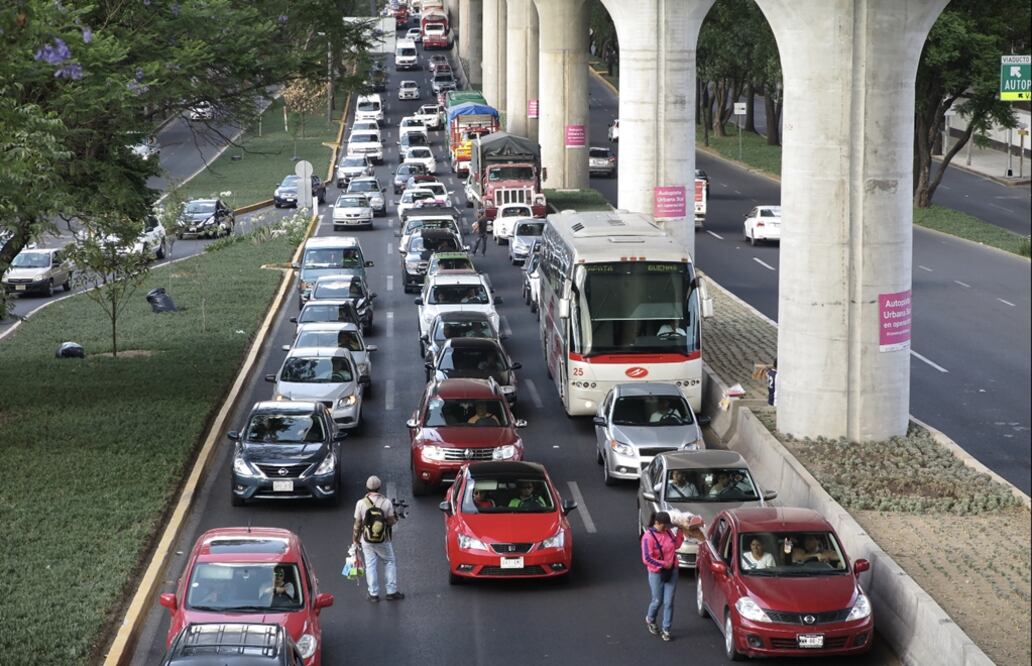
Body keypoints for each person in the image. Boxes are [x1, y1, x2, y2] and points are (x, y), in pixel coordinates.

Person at [353, 475, 404, 602]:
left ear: (367, 488)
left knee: (370, 565)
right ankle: (391, 591)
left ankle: (373, 594)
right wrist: (396, 517)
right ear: (379, 487)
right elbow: (391, 522)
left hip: (366, 540)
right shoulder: (386, 502)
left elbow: (357, 523)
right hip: (383, 539)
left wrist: (355, 539)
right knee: (389, 561)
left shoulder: (360, 503)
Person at [640, 511, 683, 642]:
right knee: (657, 601)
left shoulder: (668, 532)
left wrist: (681, 532)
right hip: (656, 573)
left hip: (672, 571)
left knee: (669, 601)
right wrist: (664, 564)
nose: (666, 528)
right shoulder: (648, 537)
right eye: (664, 526)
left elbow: (676, 545)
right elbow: (647, 558)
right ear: (656, 523)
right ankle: (650, 619)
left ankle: (666, 629)